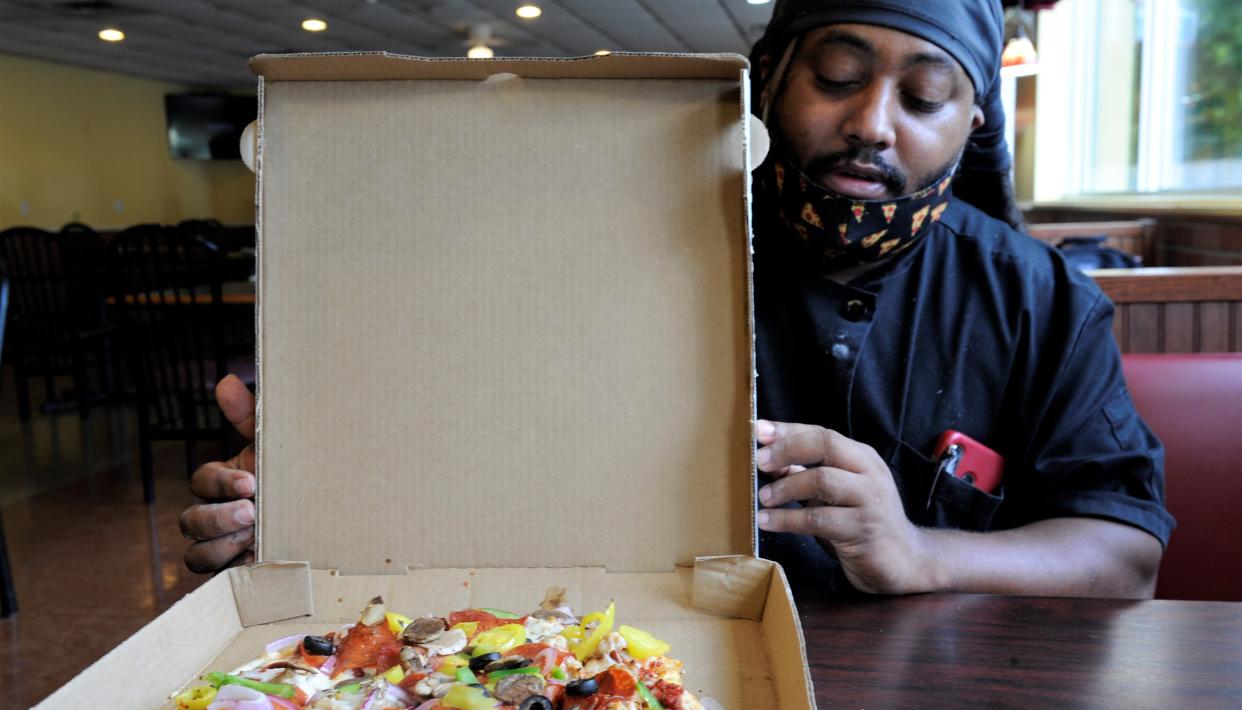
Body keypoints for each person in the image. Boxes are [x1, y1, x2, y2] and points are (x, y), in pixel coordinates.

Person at [180, 0, 1172, 599]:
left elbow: (1123, 552)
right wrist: (315, 509)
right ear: (773, 81)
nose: (871, 124)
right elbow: (484, 458)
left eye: (922, 97)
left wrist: (917, 554)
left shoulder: (1037, 295)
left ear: (971, 123)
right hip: (636, 677)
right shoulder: (618, 242)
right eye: (837, 76)